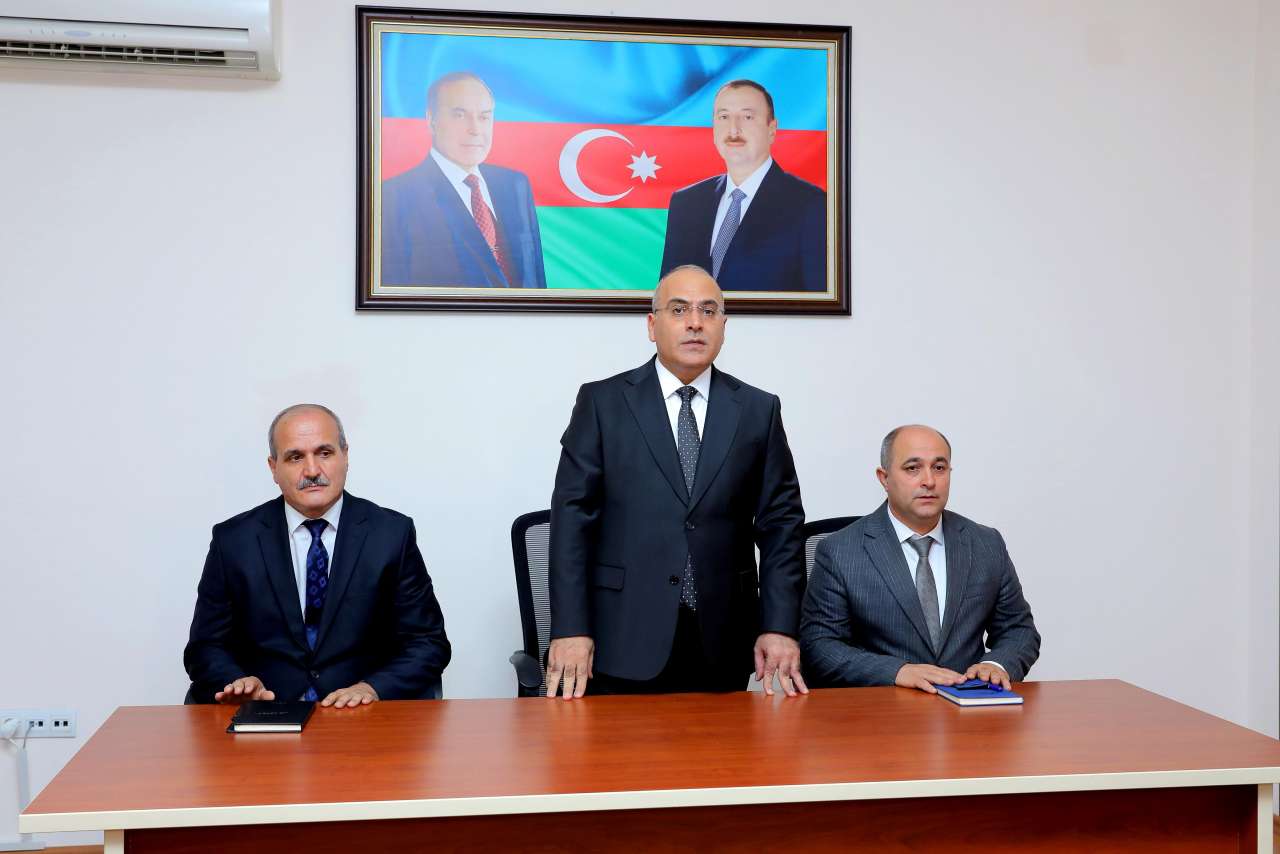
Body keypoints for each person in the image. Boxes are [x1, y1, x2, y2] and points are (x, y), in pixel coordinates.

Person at [547, 265, 807, 698]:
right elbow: (571, 521)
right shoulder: (602, 403)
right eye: (679, 309)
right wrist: (571, 628)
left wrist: (778, 626)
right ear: (653, 325)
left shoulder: (757, 410)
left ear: (723, 326)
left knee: (724, 745)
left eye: (709, 311)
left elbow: (782, 526)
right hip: (620, 636)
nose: (695, 322)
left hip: (723, 638)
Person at [184, 404, 451, 706]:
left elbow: (427, 643)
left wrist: (372, 688)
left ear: (345, 456)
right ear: (273, 467)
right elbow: (205, 648)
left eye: (324, 453)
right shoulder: (233, 541)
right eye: (295, 457)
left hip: (362, 717)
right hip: (269, 714)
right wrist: (238, 682)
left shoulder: (391, 535)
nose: (312, 471)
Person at [801, 425, 1040, 692]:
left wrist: (997, 665)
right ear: (884, 478)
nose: (929, 481)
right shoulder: (840, 550)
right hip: (886, 706)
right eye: (912, 468)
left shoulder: (986, 543)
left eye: (939, 468)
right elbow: (819, 646)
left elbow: (1019, 630)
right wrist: (896, 671)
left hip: (969, 702)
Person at [381, 71, 546, 288]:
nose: (475, 130)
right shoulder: (394, 197)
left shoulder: (515, 185)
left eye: (484, 117)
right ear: (431, 120)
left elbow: (536, 282)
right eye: (459, 115)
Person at [659, 80, 826, 293]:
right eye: (724, 117)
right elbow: (668, 295)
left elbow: (819, 302)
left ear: (772, 129)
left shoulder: (812, 205)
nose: (733, 129)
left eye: (747, 117)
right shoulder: (686, 202)